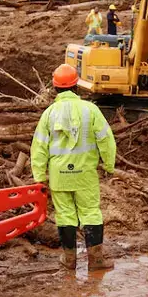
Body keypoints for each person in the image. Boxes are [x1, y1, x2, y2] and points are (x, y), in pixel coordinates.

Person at [31, 65, 116, 271]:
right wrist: (109, 164)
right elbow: (106, 140)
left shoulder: (49, 114)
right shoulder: (91, 110)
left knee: (65, 215)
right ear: (76, 85)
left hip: (60, 175)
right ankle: (96, 261)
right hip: (85, 174)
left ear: (55, 87)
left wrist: (39, 176)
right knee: (90, 213)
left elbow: (39, 147)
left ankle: (69, 260)